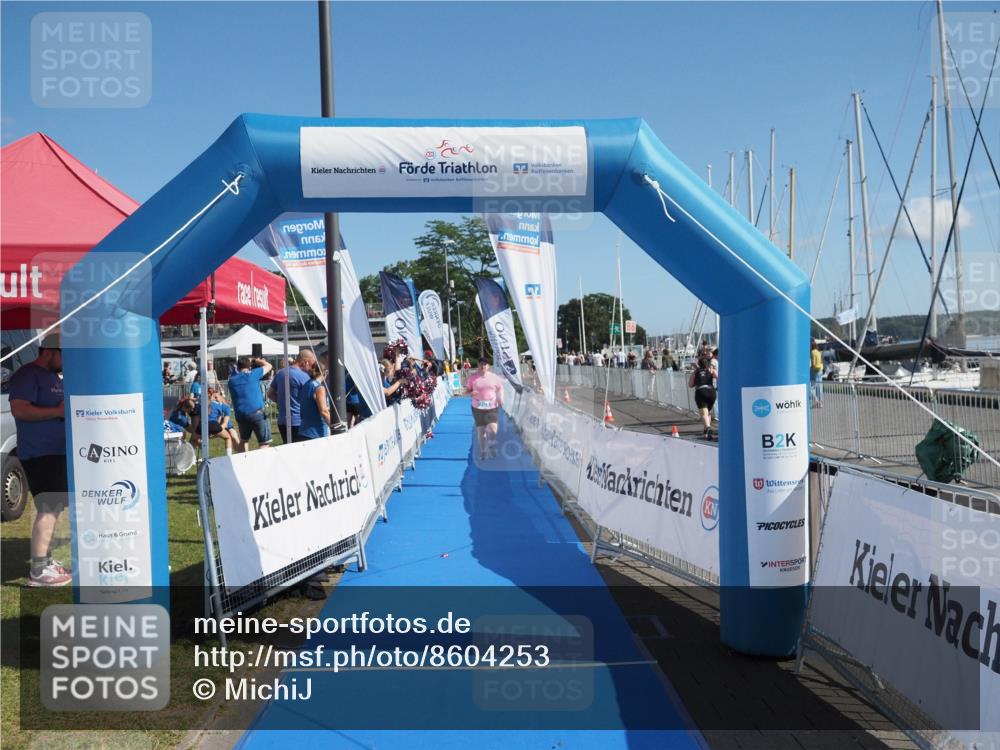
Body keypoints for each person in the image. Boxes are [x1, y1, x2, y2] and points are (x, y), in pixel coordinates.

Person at [8, 333, 71, 586]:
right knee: (48, 506)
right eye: (63, 356)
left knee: (54, 508)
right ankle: (38, 569)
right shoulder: (26, 375)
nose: (65, 362)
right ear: (50, 351)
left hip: (57, 452)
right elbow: (19, 409)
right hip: (39, 452)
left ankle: (45, 560)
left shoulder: (53, 376)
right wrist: (57, 411)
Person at [267, 347, 315, 444]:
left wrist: (281, 402)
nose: (311, 368)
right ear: (305, 362)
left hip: (282, 421)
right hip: (299, 421)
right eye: (311, 365)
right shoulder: (304, 377)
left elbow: (270, 394)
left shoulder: (280, 373)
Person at [227, 355, 274, 452]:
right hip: (257, 413)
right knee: (264, 443)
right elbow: (269, 366)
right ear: (249, 367)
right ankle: (261, 464)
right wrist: (256, 360)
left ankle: (243, 462)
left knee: (244, 440)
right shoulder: (252, 374)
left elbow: (236, 373)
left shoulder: (232, 381)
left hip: (241, 415)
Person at [465, 357, 505, 460]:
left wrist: (501, 398)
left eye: (485, 364)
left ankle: (492, 445)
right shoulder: (472, 378)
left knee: (492, 429)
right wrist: (470, 393)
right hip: (477, 407)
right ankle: (483, 451)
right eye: (481, 364)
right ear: (478, 365)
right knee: (481, 431)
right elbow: (466, 392)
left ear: (488, 366)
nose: (483, 366)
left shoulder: (494, 377)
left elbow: (500, 388)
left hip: (491, 406)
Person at [298, 361, 331, 440]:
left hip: (303, 430)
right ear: (324, 373)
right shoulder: (319, 388)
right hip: (316, 433)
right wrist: (334, 427)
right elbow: (324, 411)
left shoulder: (306, 385)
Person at [688, 355, 718, 439]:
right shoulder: (711, 370)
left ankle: (708, 428)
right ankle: (707, 433)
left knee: (704, 413)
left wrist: (696, 381)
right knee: (708, 412)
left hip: (701, 392)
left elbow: (690, 385)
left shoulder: (695, 372)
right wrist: (712, 370)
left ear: (699, 364)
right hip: (711, 392)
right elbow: (717, 376)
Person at [810, 339, 824, 408]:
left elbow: (812, 363)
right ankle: (821, 403)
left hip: (814, 370)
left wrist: (811, 369)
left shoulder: (812, 352)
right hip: (820, 370)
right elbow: (821, 361)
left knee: (812, 387)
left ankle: (816, 401)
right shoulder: (819, 352)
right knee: (819, 387)